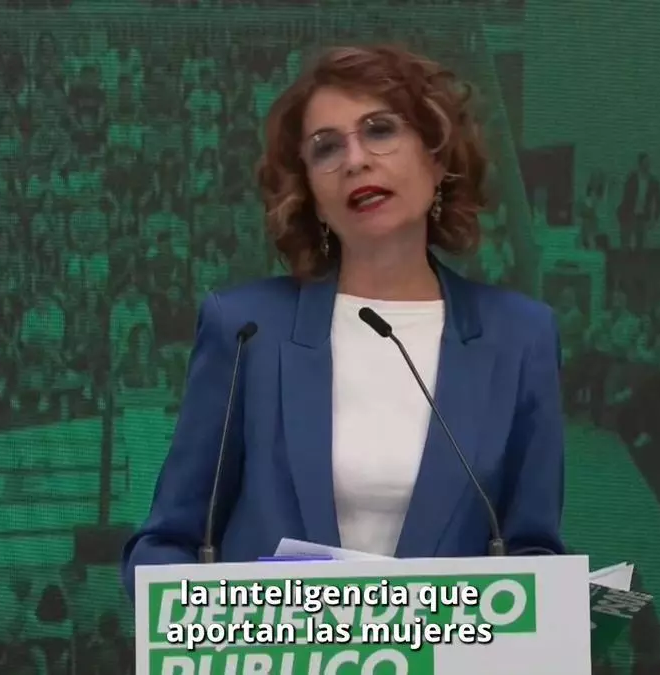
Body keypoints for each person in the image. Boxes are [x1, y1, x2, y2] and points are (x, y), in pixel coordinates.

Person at [122, 45, 565, 594]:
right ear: (311, 192)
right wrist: (208, 617)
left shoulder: (521, 336)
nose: (355, 160)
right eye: (326, 147)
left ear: (437, 157)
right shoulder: (245, 330)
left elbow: (532, 551)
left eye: (380, 131)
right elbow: (166, 543)